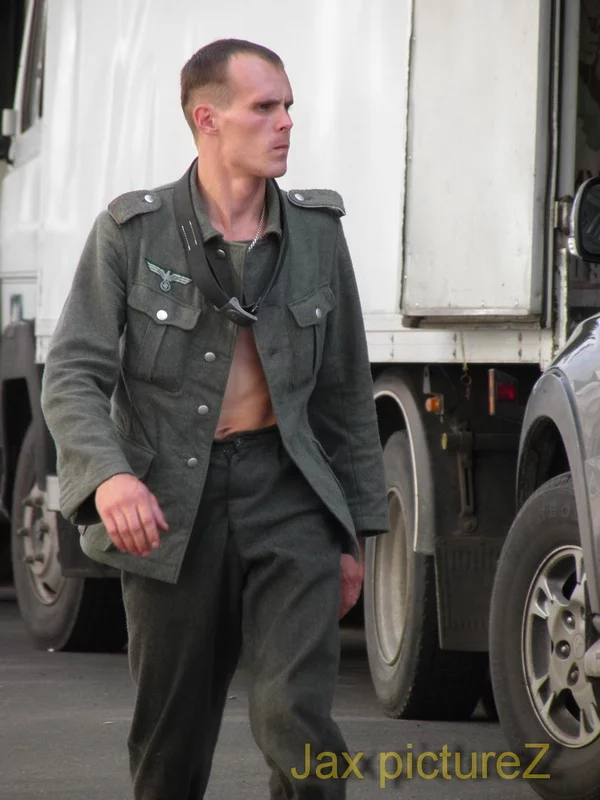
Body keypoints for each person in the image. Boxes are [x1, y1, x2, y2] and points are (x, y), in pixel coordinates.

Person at [41, 38, 389, 800]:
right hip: (171, 502)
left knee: (297, 718)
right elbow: (73, 373)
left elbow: (343, 396)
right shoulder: (132, 233)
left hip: (288, 493)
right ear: (208, 119)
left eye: (288, 105)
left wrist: (352, 538)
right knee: (171, 742)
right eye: (265, 107)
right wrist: (110, 478)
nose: (286, 122)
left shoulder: (318, 235)